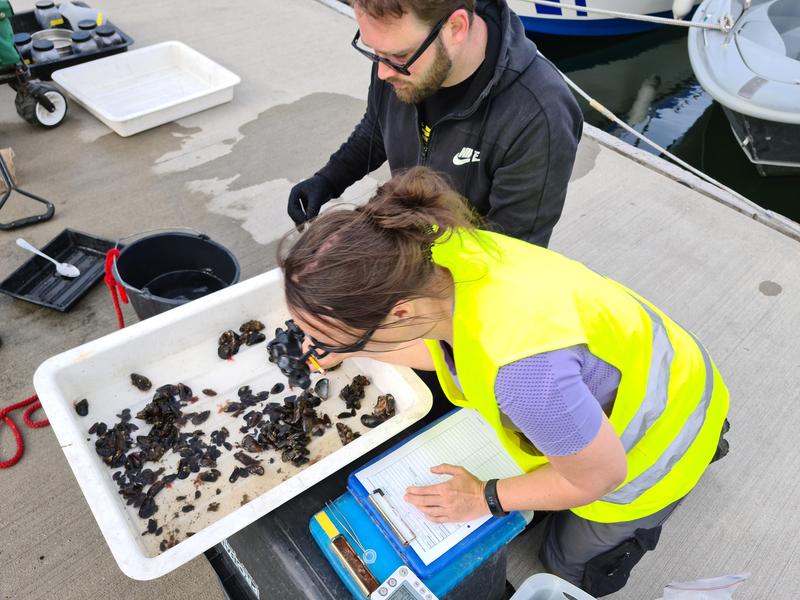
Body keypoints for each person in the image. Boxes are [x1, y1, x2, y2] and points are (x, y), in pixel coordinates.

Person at [278, 168, 730, 596]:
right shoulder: (437, 252)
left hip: (664, 433)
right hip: (662, 360)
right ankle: (709, 435)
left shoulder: (523, 377)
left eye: (328, 334)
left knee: (565, 564)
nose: (316, 344)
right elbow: (443, 349)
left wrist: (484, 497)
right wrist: (350, 346)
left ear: (399, 314)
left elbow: (601, 476)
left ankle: (697, 456)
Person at [287, 0, 583, 248]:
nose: (382, 73)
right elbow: (378, 127)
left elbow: (512, 253)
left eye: (398, 55)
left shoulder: (539, 117)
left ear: (456, 28)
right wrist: (328, 180)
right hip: (410, 241)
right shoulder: (396, 64)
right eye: (374, 50)